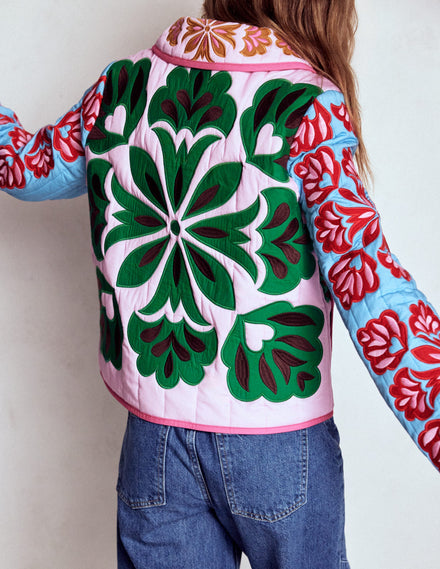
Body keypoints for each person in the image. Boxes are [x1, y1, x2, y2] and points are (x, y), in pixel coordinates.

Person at [1, 1, 439, 568]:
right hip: (277, 439)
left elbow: (29, 167)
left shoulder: (124, 85)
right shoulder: (305, 107)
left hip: (155, 444)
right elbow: (367, 279)